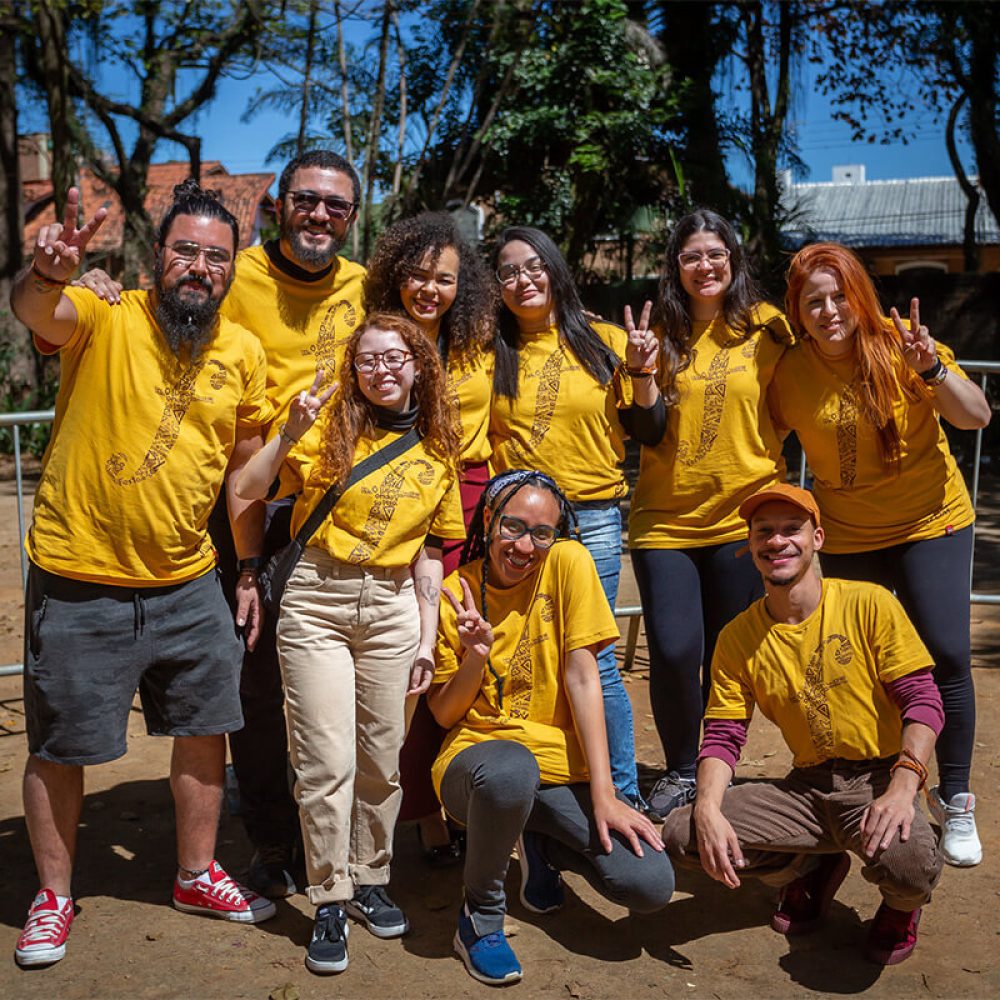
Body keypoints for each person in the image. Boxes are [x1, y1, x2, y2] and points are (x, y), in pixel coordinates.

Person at [73, 150, 369, 898]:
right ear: (279, 208)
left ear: (353, 218)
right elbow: (158, 318)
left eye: (338, 207)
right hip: (242, 505)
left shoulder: (367, 287)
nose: (321, 216)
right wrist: (91, 284)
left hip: (337, 509)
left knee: (343, 685)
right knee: (255, 690)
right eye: (307, 200)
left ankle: (351, 841)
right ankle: (272, 842)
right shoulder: (235, 278)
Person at [10, 182, 278, 968]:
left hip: (189, 579)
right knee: (61, 742)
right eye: (185, 250)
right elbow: (39, 314)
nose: (199, 267)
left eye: (216, 257)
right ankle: (54, 895)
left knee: (204, 730)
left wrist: (251, 566)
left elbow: (240, 477)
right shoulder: (107, 314)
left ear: (232, 269)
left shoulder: (243, 352)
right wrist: (50, 275)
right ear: (155, 256)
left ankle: (196, 873)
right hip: (77, 574)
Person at [236, 312, 465, 975]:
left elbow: (430, 555)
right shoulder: (326, 429)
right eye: (369, 360)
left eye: (397, 358)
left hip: (394, 607)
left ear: (418, 365)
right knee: (323, 758)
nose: (384, 370)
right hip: (317, 599)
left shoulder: (439, 445)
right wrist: (288, 434)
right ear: (352, 370)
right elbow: (249, 489)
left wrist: (427, 641)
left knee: (382, 756)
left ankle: (370, 877)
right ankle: (330, 894)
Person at [662, 483, 945, 967]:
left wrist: (903, 786)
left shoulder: (869, 603)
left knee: (910, 865)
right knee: (684, 833)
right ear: (749, 545)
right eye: (764, 531)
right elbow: (724, 735)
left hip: (879, 777)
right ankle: (808, 865)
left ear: (817, 538)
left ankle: (901, 909)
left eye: (792, 529)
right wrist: (707, 806)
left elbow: (923, 701)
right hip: (808, 788)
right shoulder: (738, 637)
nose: (777, 541)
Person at [773, 242, 992, 866]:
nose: (829, 310)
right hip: (847, 534)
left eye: (839, 296)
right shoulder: (790, 371)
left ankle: (953, 797)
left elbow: (976, 415)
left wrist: (933, 369)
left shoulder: (903, 345)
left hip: (932, 522)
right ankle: (849, 790)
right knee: (844, 664)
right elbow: (762, 433)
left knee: (945, 652)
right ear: (798, 310)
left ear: (859, 296)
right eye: (813, 301)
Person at [428, 470, 674, 986]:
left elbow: (585, 677)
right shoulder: (456, 590)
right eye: (513, 527)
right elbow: (445, 715)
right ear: (489, 520)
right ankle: (480, 917)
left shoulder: (568, 562)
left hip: (558, 770)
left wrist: (607, 795)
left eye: (542, 532)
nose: (525, 546)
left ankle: (537, 843)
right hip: (478, 767)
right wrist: (476, 656)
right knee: (510, 769)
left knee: (648, 884)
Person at [627, 209, 794, 820]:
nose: (705, 266)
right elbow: (645, 429)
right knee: (673, 650)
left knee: (728, 656)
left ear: (734, 260)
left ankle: (711, 770)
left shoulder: (769, 328)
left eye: (715, 254)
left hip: (742, 520)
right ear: (676, 266)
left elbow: (815, 377)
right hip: (665, 522)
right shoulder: (658, 335)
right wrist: (642, 372)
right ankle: (676, 768)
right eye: (692, 256)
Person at [489, 226, 663, 807]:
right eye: (509, 271)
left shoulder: (605, 340)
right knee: (525, 652)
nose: (523, 280)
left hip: (593, 518)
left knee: (595, 659)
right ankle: (547, 790)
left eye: (533, 266)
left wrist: (642, 373)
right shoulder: (492, 351)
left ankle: (621, 791)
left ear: (555, 269)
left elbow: (649, 429)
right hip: (520, 526)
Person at [362, 213, 495, 863]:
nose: (429, 288)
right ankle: (415, 811)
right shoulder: (376, 338)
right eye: (416, 273)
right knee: (406, 663)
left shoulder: (479, 342)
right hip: (394, 507)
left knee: (452, 658)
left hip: (469, 506)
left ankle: (450, 798)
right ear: (394, 275)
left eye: (443, 278)